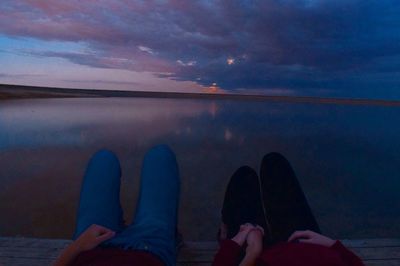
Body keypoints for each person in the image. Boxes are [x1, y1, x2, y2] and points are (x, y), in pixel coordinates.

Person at [213, 152, 364, 266]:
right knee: (274, 163)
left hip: (261, 257)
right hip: (309, 249)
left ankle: (227, 233)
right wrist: (333, 244)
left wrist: (251, 250)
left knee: (244, 179)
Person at [54, 144, 180, 266]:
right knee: (160, 156)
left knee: (103, 160)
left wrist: (77, 246)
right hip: (151, 250)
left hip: (92, 248)